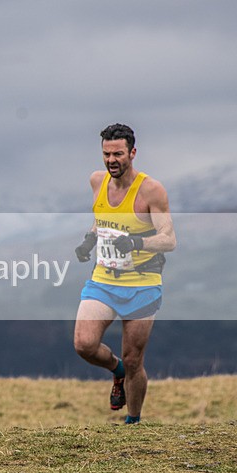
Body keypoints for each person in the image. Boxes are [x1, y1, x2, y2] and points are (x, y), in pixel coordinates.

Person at [73, 124, 176, 424]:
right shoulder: (96, 181)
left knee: (134, 361)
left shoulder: (151, 190)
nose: (111, 160)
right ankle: (115, 371)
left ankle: (133, 422)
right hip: (103, 280)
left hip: (142, 285)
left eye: (118, 153)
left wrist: (136, 242)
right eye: (106, 154)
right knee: (84, 344)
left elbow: (169, 239)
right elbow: (102, 220)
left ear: (132, 153)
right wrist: (89, 240)